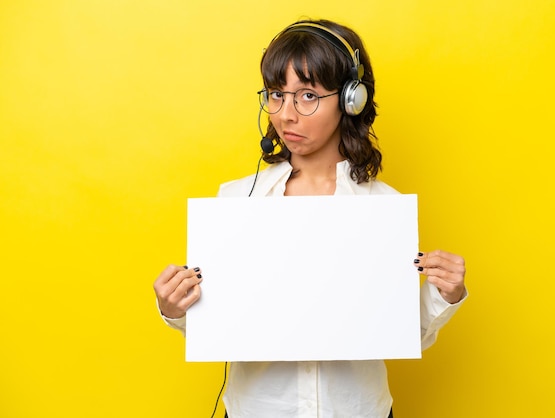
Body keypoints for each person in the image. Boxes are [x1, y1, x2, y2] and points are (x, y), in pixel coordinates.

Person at [153, 18, 467, 418]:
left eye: (307, 96)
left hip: (356, 410)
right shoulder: (236, 201)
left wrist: (446, 294)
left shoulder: (382, 208)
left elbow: (403, 334)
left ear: (351, 99)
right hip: (258, 410)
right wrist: (175, 308)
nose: (286, 115)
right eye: (276, 95)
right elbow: (218, 326)